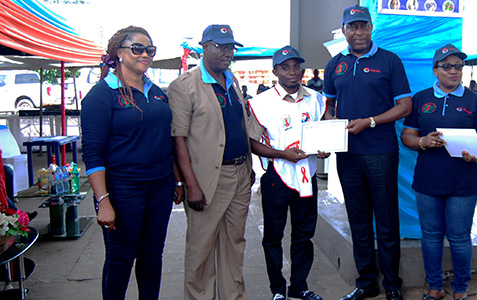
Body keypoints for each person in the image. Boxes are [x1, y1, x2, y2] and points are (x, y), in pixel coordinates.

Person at [81, 26, 182, 300]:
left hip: (159, 188)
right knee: (120, 260)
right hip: (123, 191)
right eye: (138, 48)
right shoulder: (101, 96)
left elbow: (165, 140)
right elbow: (92, 153)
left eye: (150, 50)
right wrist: (103, 200)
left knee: (151, 257)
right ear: (119, 54)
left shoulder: (157, 92)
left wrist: (177, 179)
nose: (145, 54)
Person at [322, 5, 411, 300]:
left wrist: (370, 121)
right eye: (351, 27)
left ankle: (392, 286)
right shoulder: (335, 65)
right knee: (358, 219)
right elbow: (329, 108)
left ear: (371, 28)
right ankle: (365, 283)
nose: (357, 32)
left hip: (381, 153)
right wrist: (326, 128)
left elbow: (405, 106)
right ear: (344, 30)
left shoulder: (389, 61)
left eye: (363, 26)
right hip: (347, 154)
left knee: (386, 221)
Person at [168, 24, 258, 300]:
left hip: (240, 173)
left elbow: (242, 125)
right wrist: (189, 184)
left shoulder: (232, 81)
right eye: (220, 46)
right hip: (208, 180)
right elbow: (177, 139)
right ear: (204, 47)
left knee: (235, 244)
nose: (227, 52)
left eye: (231, 47)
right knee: (202, 248)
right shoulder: (184, 86)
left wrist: (250, 167)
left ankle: (233, 296)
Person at [401, 44, 477, 300]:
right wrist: (423, 142)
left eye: (458, 67)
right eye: (447, 66)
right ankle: (435, 287)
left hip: (463, 183)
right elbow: (407, 136)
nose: (454, 71)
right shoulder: (421, 99)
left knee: (460, 237)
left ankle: (461, 289)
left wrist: (475, 152)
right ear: (435, 70)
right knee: (430, 237)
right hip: (428, 182)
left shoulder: (476, 101)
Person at [247, 46, 328, 300]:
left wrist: (325, 147)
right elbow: (251, 142)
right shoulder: (261, 102)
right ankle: (277, 290)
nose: (292, 72)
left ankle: (299, 286)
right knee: (273, 235)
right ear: (275, 72)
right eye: (285, 67)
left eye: (296, 66)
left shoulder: (316, 98)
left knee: (304, 234)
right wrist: (283, 154)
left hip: (307, 176)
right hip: (277, 177)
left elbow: (326, 130)